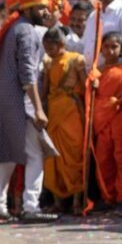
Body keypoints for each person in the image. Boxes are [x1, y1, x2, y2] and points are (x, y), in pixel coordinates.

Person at [0, 0, 58, 223]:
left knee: (7, 153)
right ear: (28, 7)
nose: (46, 12)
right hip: (21, 100)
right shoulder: (26, 30)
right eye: (42, 7)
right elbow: (27, 74)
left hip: (6, 98)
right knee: (35, 152)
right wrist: (38, 108)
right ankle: (31, 206)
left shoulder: (15, 27)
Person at [41, 26, 86, 215]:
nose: (48, 52)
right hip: (54, 111)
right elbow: (45, 89)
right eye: (46, 48)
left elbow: (84, 86)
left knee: (74, 155)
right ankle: (58, 201)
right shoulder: (48, 63)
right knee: (54, 157)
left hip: (71, 111)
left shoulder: (76, 60)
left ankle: (77, 201)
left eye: (51, 48)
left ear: (61, 44)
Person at [93, 31, 122, 215]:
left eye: (114, 47)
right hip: (101, 122)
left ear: (121, 49)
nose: (110, 51)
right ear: (101, 49)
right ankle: (108, 196)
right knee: (103, 160)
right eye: (106, 47)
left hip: (118, 118)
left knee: (121, 158)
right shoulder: (97, 71)